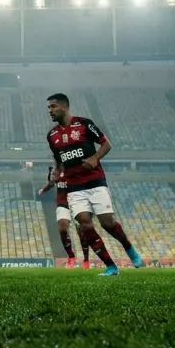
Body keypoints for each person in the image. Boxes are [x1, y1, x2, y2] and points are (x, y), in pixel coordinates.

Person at [45, 93, 145, 276]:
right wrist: (56, 172)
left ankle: (130, 249)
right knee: (85, 224)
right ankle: (111, 266)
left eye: (53, 107)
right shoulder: (51, 135)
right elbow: (58, 161)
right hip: (73, 187)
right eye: (49, 108)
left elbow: (106, 144)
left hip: (95, 181)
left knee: (107, 223)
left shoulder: (84, 124)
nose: (50, 111)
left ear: (64, 107)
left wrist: (94, 157)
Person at [38, 169, 91, 269]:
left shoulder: (75, 168)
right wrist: (44, 189)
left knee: (82, 233)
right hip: (62, 204)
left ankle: (86, 259)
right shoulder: (55, 170)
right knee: (62, 228)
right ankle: (71, 257)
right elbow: (51, 183)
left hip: (76, 203)